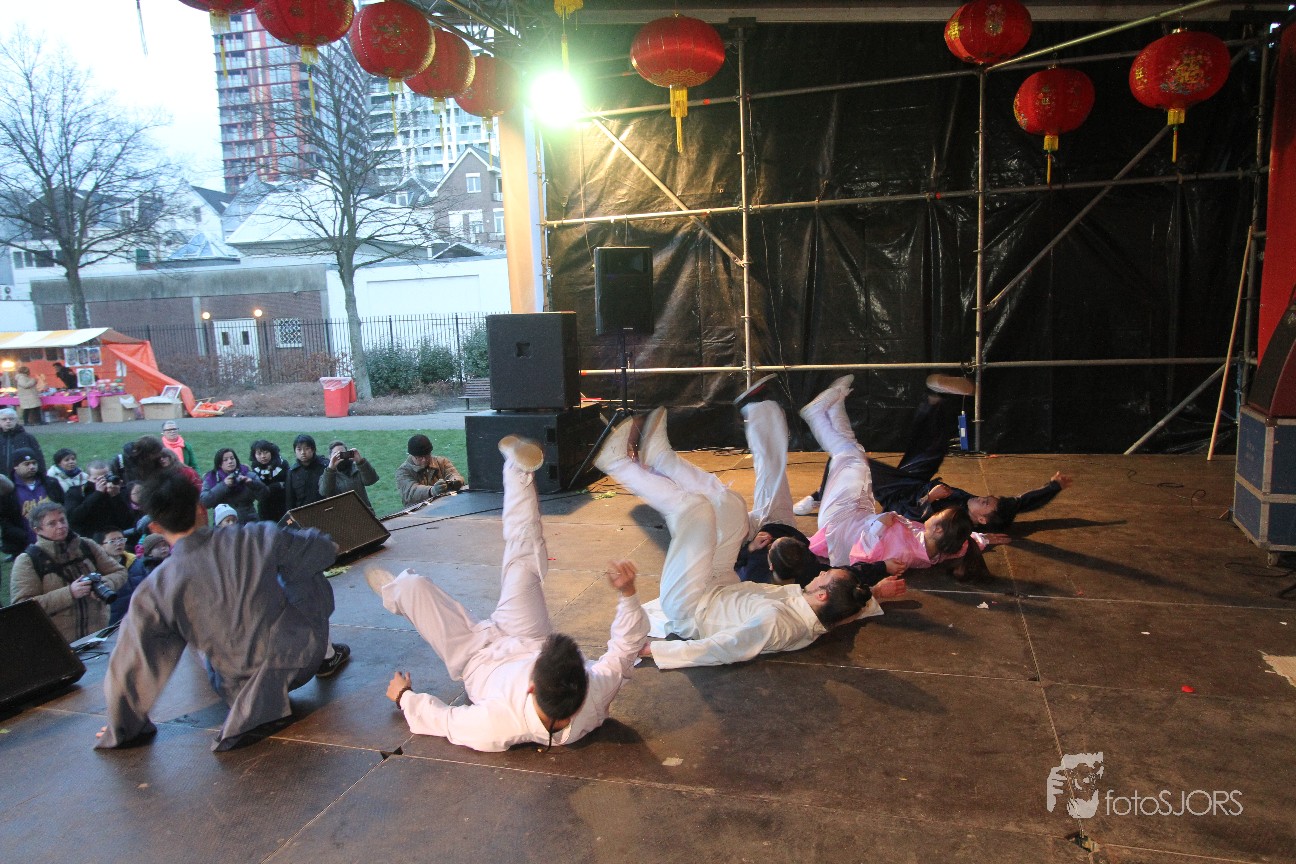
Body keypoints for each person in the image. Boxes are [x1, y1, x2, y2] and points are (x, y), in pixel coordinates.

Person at [367, 435, 648, 752]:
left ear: (531, 688)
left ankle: (394, 593)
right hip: (526, 634)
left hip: (474, 656)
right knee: (525, 558)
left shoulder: (497, 725)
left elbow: (444, 720)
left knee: (413, 587)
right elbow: (625, 649)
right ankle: (517, 468)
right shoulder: (595, 690)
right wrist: (628, 594)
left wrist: (404, 696)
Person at [592, 409, 896, 670]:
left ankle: (616, 464)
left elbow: (723, 648)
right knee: (732, 505)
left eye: (825, 577)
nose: (820, 574)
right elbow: (843, 611)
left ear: (822, 595)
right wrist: (875, 594)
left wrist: (655, 650)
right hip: (721, 583)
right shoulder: (820, 612)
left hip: (689, 606)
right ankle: (661, 458)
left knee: (695, 511)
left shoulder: (776, 624)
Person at [95, 470, 350, 753]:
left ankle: (247, 687)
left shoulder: (156, 586)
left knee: (184, 629)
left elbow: (131, 660)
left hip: (232, 685)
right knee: (305, 567)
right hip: (300, 662)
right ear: (201, 509)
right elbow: (325, 550)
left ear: (155, 527)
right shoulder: (257, 536)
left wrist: (122, 725)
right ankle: (326, 655)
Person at [793, 376, 1072, 531]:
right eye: (988, 497)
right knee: (934, 447)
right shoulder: (992, 510)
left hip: (901, 496)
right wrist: (1053, 486)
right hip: (916, 482)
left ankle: (819, 488)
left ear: (981, 520)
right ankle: (935, 399)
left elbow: (909, 520)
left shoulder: (954, 520)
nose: (982, 497)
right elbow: (1022, 503)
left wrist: (929, 499)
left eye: (985, 503)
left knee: (851, 458)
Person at [799, 376, 1011, 580]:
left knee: (851, 456)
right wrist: (981, 538)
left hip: (839, 525)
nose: (933, 515)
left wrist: (879, 527)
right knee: (855, 454)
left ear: (938, 528)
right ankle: (835, 408)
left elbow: (858, 559)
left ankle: (815, 415)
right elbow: (961, 544)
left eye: (938, 515)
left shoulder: (904, 553)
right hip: (860, 517)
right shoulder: (941, 545)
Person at [10, 501, 127, 643]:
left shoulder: (86, 545)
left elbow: (120, 571)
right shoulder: (28, 560)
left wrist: (106, 583)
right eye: (52, 523)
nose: (60, 526)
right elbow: (23, 607)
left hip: (99, 634)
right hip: (57, 642)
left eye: (62, 520)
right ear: (37, 530)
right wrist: (70, 593)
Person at [0, 448, 64, 558]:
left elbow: (63, 506)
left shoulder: (50, 483)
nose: (32, 467)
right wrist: (21, 535)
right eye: (27, 464)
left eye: (34, 463)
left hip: (55, 541)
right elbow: (4, 519)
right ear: (15, 466)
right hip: (25, 546)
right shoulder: (8, 490)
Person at [109, 533, 170, 625]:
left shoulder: (136, 564)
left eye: (121, 539)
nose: (118, 543)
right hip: (119, 620)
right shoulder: (145, 566)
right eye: (112, 541)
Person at [64, 459, 135, 539]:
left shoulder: (119, 490)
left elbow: (128, 521)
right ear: (88, 478)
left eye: (106, 477)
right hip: (90, 537)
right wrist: (97, 494)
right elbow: (73, 518)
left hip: (116, 536)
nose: (102, 482)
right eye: (97, 479)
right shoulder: (76, 492)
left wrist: (116, 496)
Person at [395, 434, 465, 506]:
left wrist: (455, 481)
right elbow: (410, 492)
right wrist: (431, 491)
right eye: (420, 457)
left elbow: (453, 474)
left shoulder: (442, 462)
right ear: (412, 456)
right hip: (418, 510)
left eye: (426, 456)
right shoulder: (403, 471)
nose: (424, 460)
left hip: (443, 506)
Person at [200, 448, 267, 524]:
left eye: (232, 458)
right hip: (224, 524)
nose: (230, 461)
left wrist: (252, 484)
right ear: (219, 464)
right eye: (225, 460)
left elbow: (264, 495)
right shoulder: (211, 478)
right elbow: (205, 502)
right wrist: (224, 485)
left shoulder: (249, 475)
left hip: (249, 521)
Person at [320, 440, 379, 513]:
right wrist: (331, 469)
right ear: (330, 457)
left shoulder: (356, 468)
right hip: (343, 516)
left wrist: (360, 461)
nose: (340, 457)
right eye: (336, 454)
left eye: (343, 453)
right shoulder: (327, 475)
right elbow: (325, 492)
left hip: (365, 513)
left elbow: (371, 480)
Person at [248, 439, 289, 522]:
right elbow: (259, 492)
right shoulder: (254, 470)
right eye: (259, 454)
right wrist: (276, 486)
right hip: (265, 508)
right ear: (254, 455)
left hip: (284, 505)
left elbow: (289, 484)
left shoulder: (282, 464)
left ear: (271, 452)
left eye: (266, 452)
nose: (263, 456)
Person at [285, 434, 328, 512]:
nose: (303, 452)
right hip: (303, 513)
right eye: (299, 449)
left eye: (307, 449)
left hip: (324, 510)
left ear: (313, 450)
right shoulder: (292, 472)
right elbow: (290, 499)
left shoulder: (324, 466)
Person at [0, 406, 45, 477]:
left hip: (23, 477)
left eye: (11, 419)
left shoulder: (27, 437)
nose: (8, 421)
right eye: (4, 419)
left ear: (16, 420)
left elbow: (38, 458)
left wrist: (42, 476)